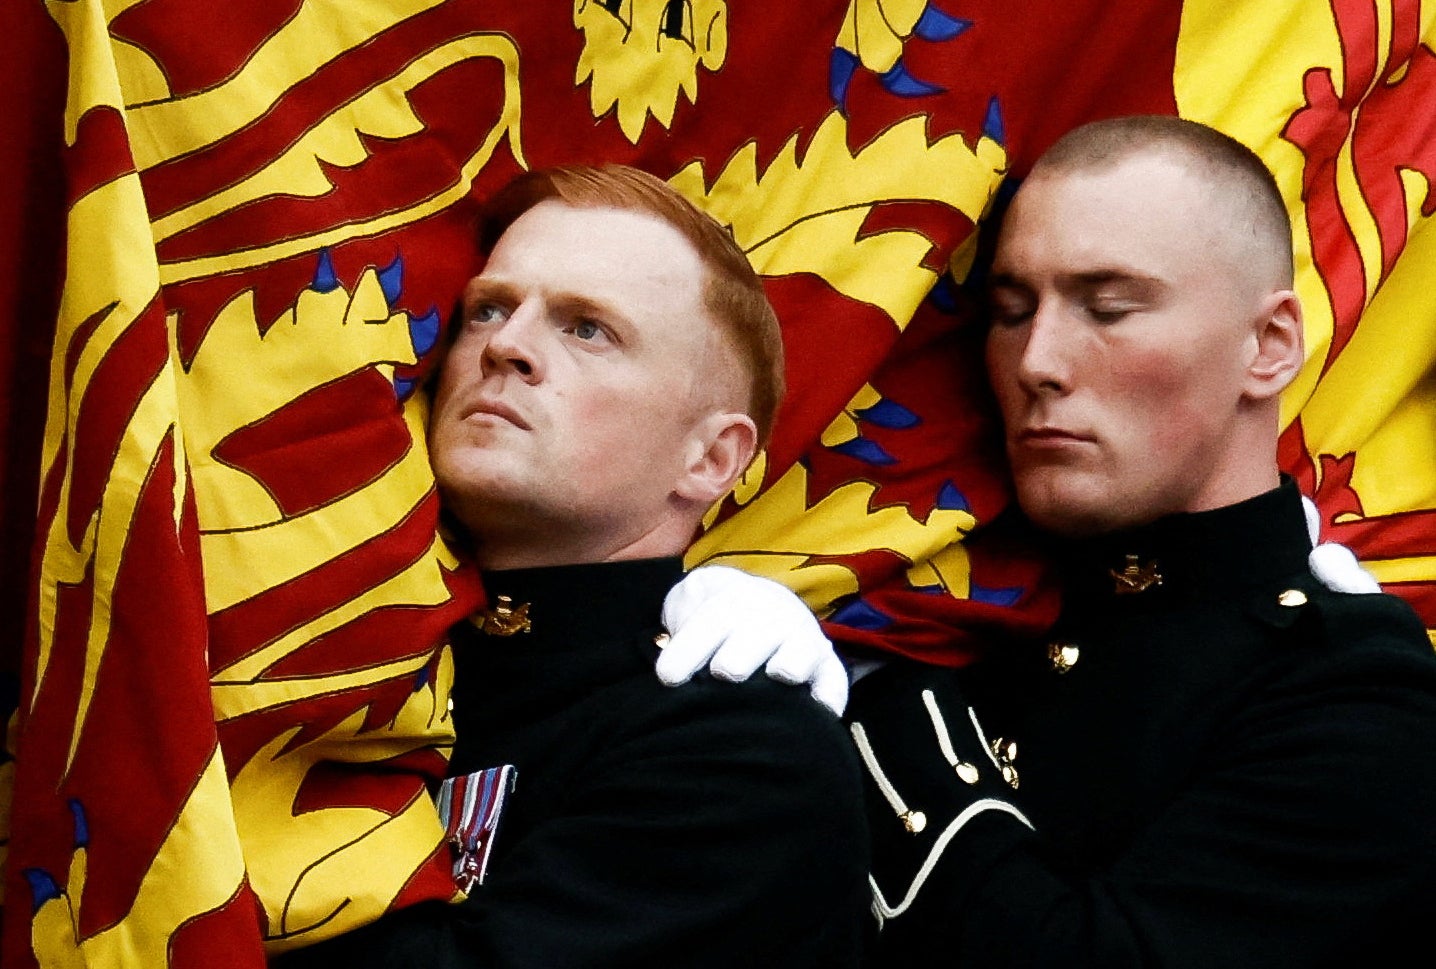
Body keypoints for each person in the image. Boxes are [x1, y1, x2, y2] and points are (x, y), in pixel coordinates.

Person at [844, 115, 1436, 968]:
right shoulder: (964, 614)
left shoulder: (1353, 686)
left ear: (1269, 346)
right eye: (1010, 312)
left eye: (1109, 309)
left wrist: (879, 696)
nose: (1037, 360)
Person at [275, 163, 870, 968]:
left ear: (710, 457)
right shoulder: (348, 650)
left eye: (587, 328)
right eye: (488, 308)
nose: (506, 346)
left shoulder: (750, 751)